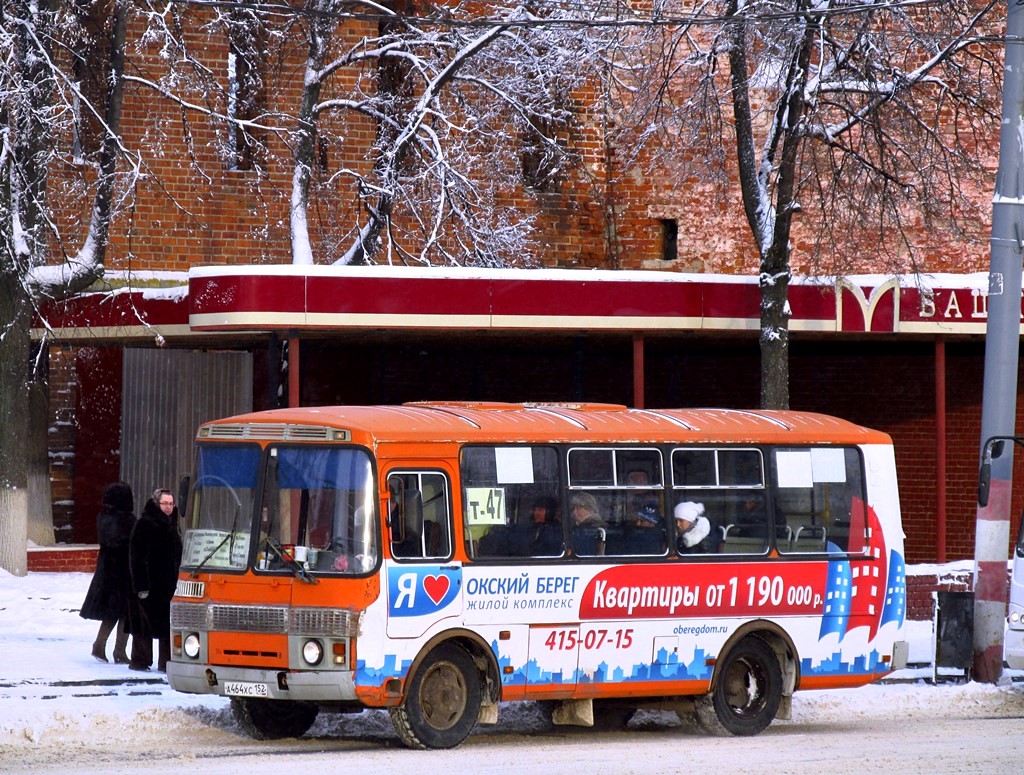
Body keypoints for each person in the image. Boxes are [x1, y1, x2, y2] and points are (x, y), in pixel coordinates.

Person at [80, 482, 136, 664]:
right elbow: (129, 542)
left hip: (107, 569)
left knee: (112, 612)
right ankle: (118, 650)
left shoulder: (102, 516)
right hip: (124, 571)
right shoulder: (126, 520)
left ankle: (102, 645)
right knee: (125, 612)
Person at [129, 488, 183, 672]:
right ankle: (140, 661)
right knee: (144, 626)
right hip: (150, 584)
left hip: (168, 584)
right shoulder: (145, 523)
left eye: (171, 503)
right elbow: (136, 556)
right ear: (156, 504)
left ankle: (166, 662)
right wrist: (141, 586)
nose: (168, 507)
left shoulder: (172, 524)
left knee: (167, 625)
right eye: (165, 503)